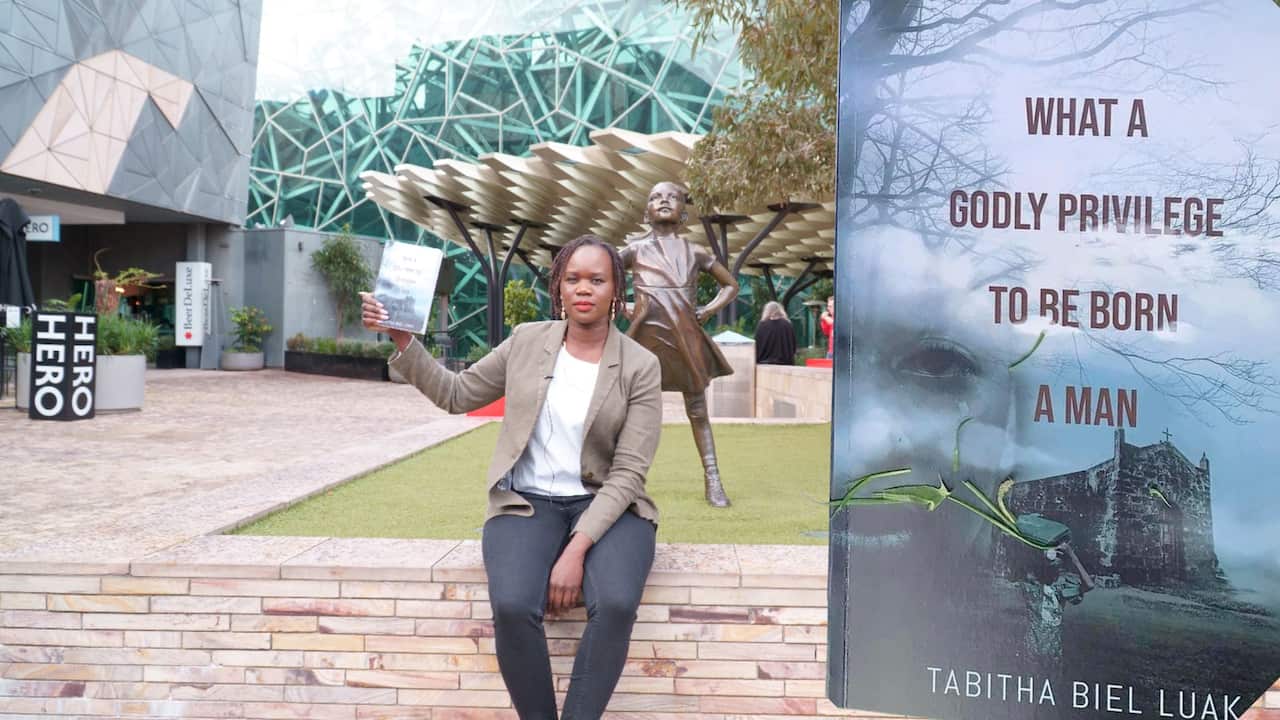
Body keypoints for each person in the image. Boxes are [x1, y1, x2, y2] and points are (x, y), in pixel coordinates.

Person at [360, 235, 663, 720]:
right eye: (573, 279)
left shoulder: (641, 366)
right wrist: (402, 339)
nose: (583, 289)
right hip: (526, 503)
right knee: (514, 605)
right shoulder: (526, 341)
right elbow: (456, 394)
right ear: (559, 287)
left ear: (615, 290)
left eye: (597, 279)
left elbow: (628, 472)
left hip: (607, 504)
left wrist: (576, 549)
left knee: (619, 601)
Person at [619, 181, 738, 507]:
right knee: (632, 411)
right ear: (646, 212)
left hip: (685, 337)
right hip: (645, 339)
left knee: (698, 410)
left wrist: (707, 310)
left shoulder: (695, 252)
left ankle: (713, 479)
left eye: (672, 197)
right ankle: (623, 483)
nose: (664, 201)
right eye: (656, 196)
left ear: (684, 213)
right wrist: (622, 307)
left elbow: (730, 285)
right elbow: (602, 273)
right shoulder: (635, 250)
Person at [754, 300, 796, 366]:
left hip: (764, 365)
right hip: (786, 365)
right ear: (780, 310)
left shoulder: (762, 325)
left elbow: (757, 346)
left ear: (766, 311)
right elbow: (793, 346)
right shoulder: (787, 324)